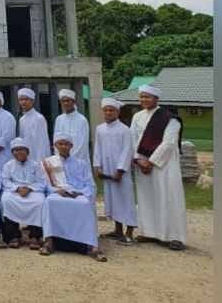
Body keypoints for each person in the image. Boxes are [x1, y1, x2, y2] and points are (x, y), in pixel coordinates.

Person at [130, 85, 187, 250]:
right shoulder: (137, 117)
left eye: (147, 97)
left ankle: (175, 237)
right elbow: (132, 139)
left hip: (165, 164)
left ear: (156, 99)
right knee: (147, 198)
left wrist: (151, 162)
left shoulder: (170, 118)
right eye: (141, 97)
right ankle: (150, 232)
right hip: (142, 163)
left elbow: (168, 143)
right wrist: (139, 160)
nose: (144, 100)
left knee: (169, 198)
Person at [39, 132, 107, 262]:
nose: (63, 146)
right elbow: (45, 185)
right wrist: (57, 190)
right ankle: (49, 242)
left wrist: (80, 193)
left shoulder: (81, 163)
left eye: (66, 144)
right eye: (60, 144)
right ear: (55, 146)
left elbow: (90, 185)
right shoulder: (49, 163)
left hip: (78, 194)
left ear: (71, 146)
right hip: (58, 193)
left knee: (85, 204)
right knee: (49, 202)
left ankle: (92, 246)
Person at [94, 97, 137, 245]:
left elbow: (127, 151)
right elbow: (97, 149)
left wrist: (120, 170)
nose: (108, 113)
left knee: (126, 199)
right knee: (112, 200)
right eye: (105, 110)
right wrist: (98, 167)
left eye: (111, 110)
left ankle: (129, 232)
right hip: (106, 170)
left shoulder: (125, 130)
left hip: (120, 172)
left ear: (117, 112)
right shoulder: (100, 129)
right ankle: (118, 230)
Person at [0, 138, 46, 249]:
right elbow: (5, 181)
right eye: (15, 150)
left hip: (33, 191)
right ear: (12, 153)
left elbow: (42, 182)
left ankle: (35, 236)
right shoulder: (8, 165)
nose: (18, 152)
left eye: (21, 149)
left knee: (40, 202)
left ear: (27, 151)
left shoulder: (36, 165)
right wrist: (17, 188)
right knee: (6, 200)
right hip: (14, 191)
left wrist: (29, 188)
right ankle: (13, 236)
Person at [53, 89, 90, 162]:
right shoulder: (59, 119)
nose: (66, 103)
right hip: (61, 161)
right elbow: (56, 141)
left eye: (68, 100)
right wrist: (59, 158)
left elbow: (82, 145)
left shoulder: (82, 120)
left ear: (73, 102)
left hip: (79, 161)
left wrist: (71, 159)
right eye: (63, 101)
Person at [17, 87, 51, 162]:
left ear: (32, 101)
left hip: (38, 158)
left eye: (26, 99)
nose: (23, 102)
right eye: (21, 100)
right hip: (26, 157)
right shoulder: (21, 119)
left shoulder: (39, 118)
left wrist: (41, 161)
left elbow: (43, 142)